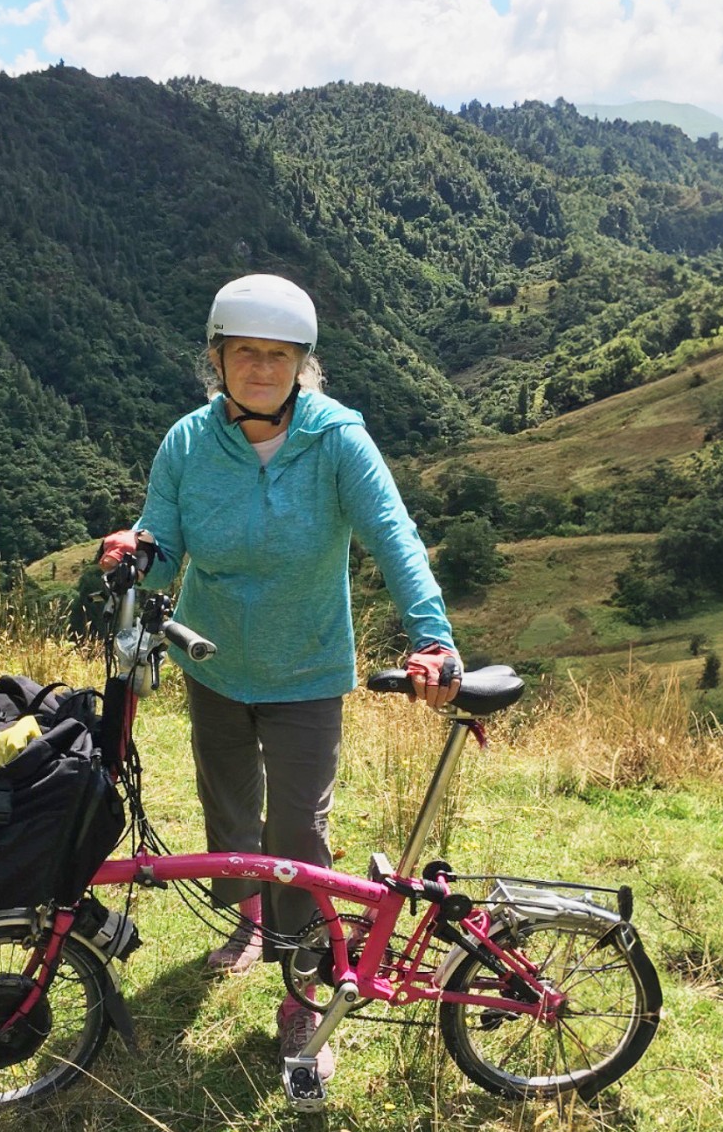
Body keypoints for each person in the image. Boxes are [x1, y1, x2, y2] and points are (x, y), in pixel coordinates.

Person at [99, 274, 461, 1080]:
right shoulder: (189, 443)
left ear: (302, 364)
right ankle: (246, 919)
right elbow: (162, 536)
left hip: (306, 667)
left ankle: (303, 987)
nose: (261, 368)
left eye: (278, 355)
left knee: (298, 830)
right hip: (213, 660)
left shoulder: (337, 441)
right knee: (227, 805)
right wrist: (138, 552)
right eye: (244, 353)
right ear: (217, 360)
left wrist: (434, 638)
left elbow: (394, 537)